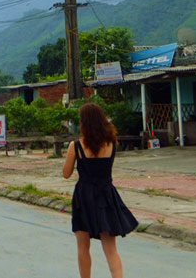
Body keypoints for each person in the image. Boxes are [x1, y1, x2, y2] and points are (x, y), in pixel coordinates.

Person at [62, 103, 138, 278]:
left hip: (84, 197)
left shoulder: (76, 146)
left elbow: (66, 174)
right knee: (110, 249)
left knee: (83, 247)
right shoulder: (111, 143)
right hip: (106, 195)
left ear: (83, 122)